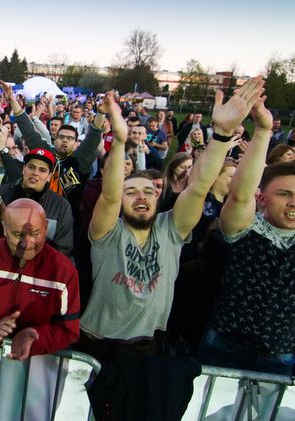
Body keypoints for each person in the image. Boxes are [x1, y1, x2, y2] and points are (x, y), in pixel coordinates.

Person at [77, 80, 265, 360]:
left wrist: (222, 134)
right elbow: (109, 196)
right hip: (98, 345)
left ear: (158, 197)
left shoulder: (171, 230)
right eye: (131, 192)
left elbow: (198, 187)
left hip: (149, 347)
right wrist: (118, 141)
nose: (141, 197)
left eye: (148, 192)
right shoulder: (108, 233)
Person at [198, 93, 294, 375]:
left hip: (282, 355)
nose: (292, 202)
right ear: (262, 198)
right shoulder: (246, 230)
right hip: (225, 348)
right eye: (284, 194)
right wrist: (264, 131)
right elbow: (239, 196)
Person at [0, 198, 80, 360]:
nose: (27, 243)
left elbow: (69, 330)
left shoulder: (63, 271)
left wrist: (33, 338)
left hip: (38, 364)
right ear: (4, 228)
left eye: (35, 233)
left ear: (46, 228)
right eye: (18, 234)